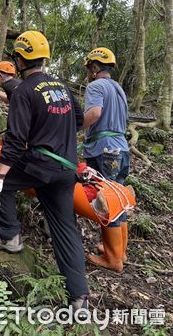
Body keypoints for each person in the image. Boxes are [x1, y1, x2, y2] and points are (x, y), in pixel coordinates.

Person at [0, 30, 89, 312]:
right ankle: (79, 298)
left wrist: (0, 176)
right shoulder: (62, 87)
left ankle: (9, 236)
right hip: (66, 168)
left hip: (41, 166)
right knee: (65, 228)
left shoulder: (24, 91)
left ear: (18, 59)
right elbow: (79, 119)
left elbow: (15, 140)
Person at [81, 47, 130, 272]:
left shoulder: (95, 86)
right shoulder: (118, 89)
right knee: (118, 201)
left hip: (104, 150)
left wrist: (75, 126)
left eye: (90, 68)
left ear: (94, 67)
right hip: (121, 149)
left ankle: (113, 259)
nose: (89, 73)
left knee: (107, 203)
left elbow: (95, 114)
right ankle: (120, 251)